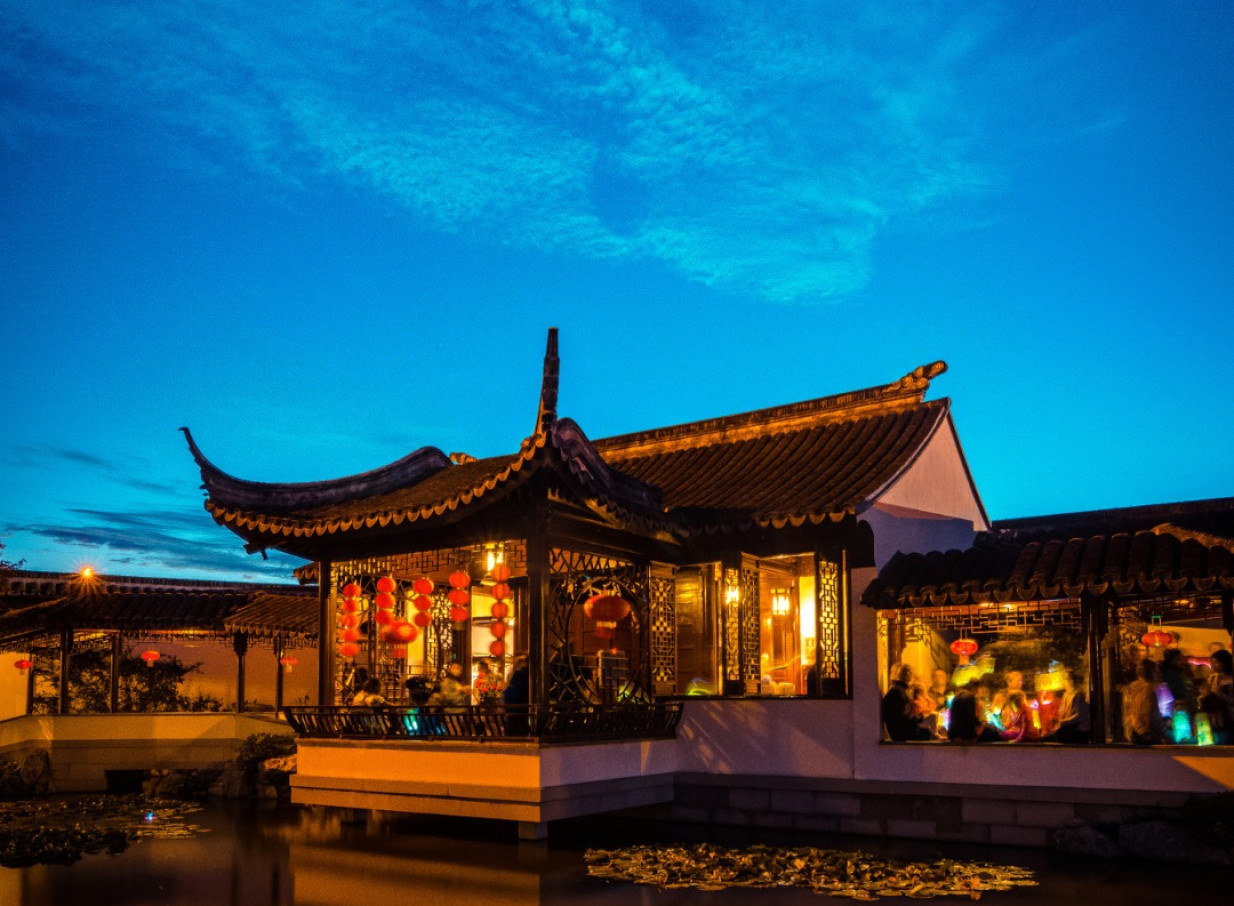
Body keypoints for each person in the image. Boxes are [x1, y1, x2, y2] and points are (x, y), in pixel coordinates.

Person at [881, 664, 932, 741]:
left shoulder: (897, 690)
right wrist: (921, 716)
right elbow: (904, 717)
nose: (915, 681)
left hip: (899, 733)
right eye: (914, 677)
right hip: (901, 734)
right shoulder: (898, 692)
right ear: (909, 677)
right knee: (928, 733)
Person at [1122, 659, 1166, 745]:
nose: (1159, 674)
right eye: (1156, 671)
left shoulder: (1129, 688)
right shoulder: (1150, 689)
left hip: (1131, 734)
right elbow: (1148, 717)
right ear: (1152, 673)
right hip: (1146, 736)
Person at [1043, 670, 1091, 744]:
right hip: (1068, 728)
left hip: (1078, 731)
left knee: (1049, 738)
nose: (1063, 682)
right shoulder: (1066, 695)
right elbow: (1062, 712)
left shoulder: (1079, 695)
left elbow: (1079, 716)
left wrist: (1062, 722)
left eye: (1065, 679)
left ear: (1071, 681)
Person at [1201, 649, 1234, 744]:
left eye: (1216, 662)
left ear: (1225, 662)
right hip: (1217, 717)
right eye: (1212, 662)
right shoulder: (1213, 677)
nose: (1213, 665)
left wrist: (1219, 694)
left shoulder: (1230, 679)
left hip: (1230, 716)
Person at [502, 655, 531, 735]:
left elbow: (510, 691)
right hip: (524, 706)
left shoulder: (518, 675)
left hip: (515, 706)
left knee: (515, 727)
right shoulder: (526, 674)